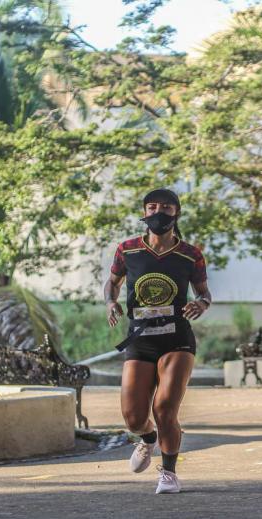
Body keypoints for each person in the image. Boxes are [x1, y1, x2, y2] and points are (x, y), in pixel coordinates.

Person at [104, 188, 212, 494]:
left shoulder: (189, 254)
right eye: (152, 207)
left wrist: (200, 304)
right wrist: (111, 304)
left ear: (176, 213)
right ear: (144, 212)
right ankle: (148, 438)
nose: (158, 212)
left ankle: (168, 472)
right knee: (134, 417)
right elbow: (111, 284)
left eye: (166, 207)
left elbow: (204, 293)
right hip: (140, 338)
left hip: (177, 337)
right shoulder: (127, 250)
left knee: (165, 407)